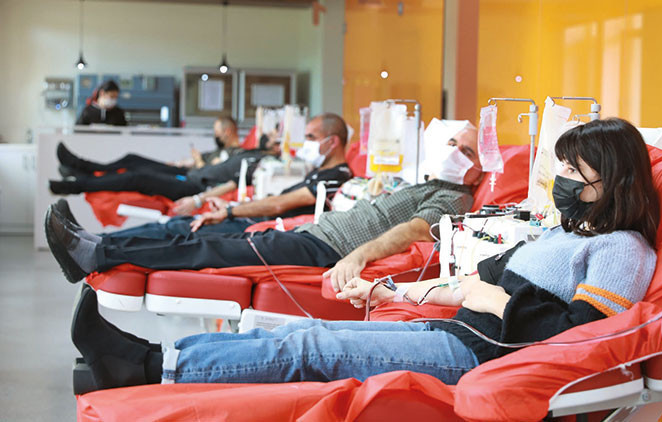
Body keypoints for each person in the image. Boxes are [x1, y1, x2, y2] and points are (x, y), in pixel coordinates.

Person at [68, 117, 660, 391]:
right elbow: (463, 286)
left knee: (310, 349)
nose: (559, 179)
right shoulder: (563, 235)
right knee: (295, 335)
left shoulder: (622, 250)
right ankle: (149, 358)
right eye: (559, 166)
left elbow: (582, 338)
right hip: (455, 329)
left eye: (571, 169)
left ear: (611, 177)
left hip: (478, 356)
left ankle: (145, 369)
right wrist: (388, 290)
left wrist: (489, 297)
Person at [45, 125, 482, 288]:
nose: (453, 152)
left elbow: (414, 231)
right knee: (196, 238)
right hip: (311, 234)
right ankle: (96, 245)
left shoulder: (455, 198)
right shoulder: (428, 183)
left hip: (324, 249)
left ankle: (96, 254)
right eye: (451, 143)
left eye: (465, 150)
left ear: (484, 165)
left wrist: (358, 256)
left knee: (206, 248)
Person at [56, 113, 353, 239]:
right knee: (136, 166)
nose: (296, 143)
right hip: (204, 184)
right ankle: (80, 174)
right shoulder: (250, 153)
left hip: (200, 187)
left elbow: (277, 203)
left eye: (309, 137)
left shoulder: (322, 174)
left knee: (161, 211)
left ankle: (91, 229)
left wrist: (215, 205)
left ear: (332, 141)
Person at [49, 116, 264, 201]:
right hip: (186, 172)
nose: (215, 135)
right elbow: (205, 164)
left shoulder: (236, 155)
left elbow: (218, 176)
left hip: (193, 185)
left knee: (136, 177)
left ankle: (75, 184)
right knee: (132, 159)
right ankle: (82, 167)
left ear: (227, 131)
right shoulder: (219, 152)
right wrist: (187, 162)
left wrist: (199, 163)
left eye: (217, 132)